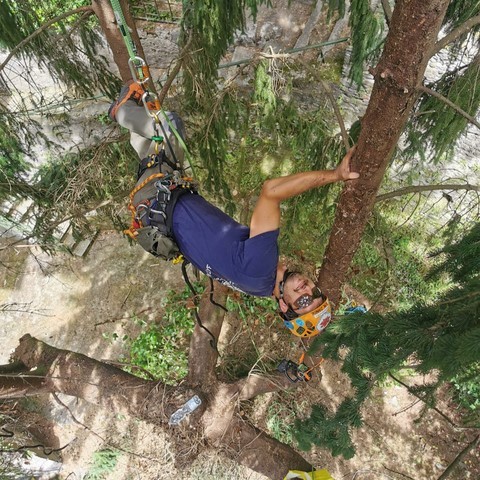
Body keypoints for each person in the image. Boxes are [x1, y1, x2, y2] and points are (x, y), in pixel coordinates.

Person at [109, 82, 359, 335]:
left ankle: (121, 110)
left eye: (304, 301)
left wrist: (335, 175)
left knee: (170, 127)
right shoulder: (256, 285)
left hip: (159, 196)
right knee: (157, 144)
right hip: (157, 208)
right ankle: (133, 107)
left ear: (284, 306)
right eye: (315, 292)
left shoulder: (261, 269)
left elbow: (271, 192)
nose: (307, 289)